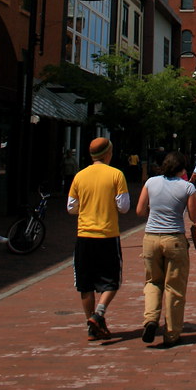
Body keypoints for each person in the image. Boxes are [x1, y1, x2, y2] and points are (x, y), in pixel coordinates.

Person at [67, 136, 130, 341]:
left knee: (85, 284)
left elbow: (71, 207)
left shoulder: (80, 176)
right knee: (111, 281)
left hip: (84, 235)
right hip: (107, 234)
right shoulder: (116, 175)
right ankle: (99, 313)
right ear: (108, 154)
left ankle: (91, 325)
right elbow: (124, 206)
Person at [136, 150, 196, 347]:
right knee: (174, 287)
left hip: (151, 238)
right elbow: (194, 216)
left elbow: (139, 210)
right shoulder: (187, 187)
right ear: (182, 168)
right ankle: (171, 333)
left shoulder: (151, 183)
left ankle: (150, 319)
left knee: (153, 281)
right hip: (174, 238)